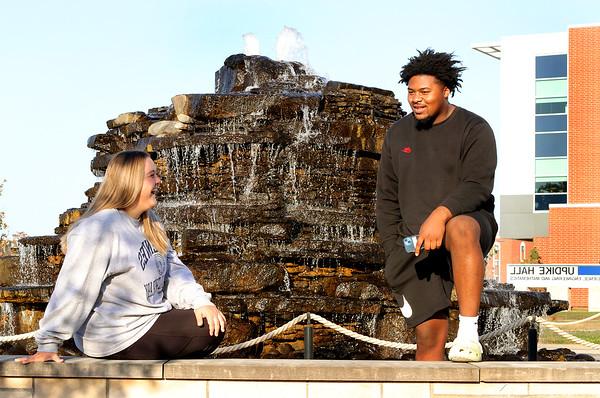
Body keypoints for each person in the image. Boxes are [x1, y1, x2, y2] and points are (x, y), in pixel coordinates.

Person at [16, 150, 226, 363]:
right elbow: (75, 289)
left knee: (210, 320)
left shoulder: (150, 222)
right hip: (113, 335)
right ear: (130, 182)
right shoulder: (98, 229)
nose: (159, 181)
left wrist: (200, 302)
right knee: (206, 330)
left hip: (148, 320)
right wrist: (49, 343)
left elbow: (174, 272)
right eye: (152, 175)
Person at [376, 49, 497, 361]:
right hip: (416, 243)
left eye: (425, 92)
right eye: (411, 92)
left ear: (446, 91)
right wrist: (392, 247)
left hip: (469, 226)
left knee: (458, 226)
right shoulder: (398, 133)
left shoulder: (474, 128)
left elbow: (477, 185)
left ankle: (469, 334)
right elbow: (386, 198)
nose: (416, 99)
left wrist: (440, 215)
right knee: (429, 342)